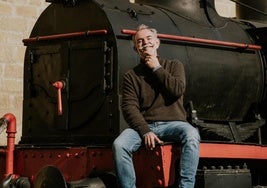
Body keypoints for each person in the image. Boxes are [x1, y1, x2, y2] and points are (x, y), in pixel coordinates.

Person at [112, 24, 200, 188]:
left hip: (174, 124)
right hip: (144, 126)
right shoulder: (131, 76)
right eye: (140, 41)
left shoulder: (174, 66)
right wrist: (145, 131)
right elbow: (129, 107)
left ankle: (186, 186)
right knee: (119, 145)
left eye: (148, 39)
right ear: (136, 49)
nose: (145, 43)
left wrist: (156, 68)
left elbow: (177, 90)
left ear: (157, 43)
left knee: (192, 135)